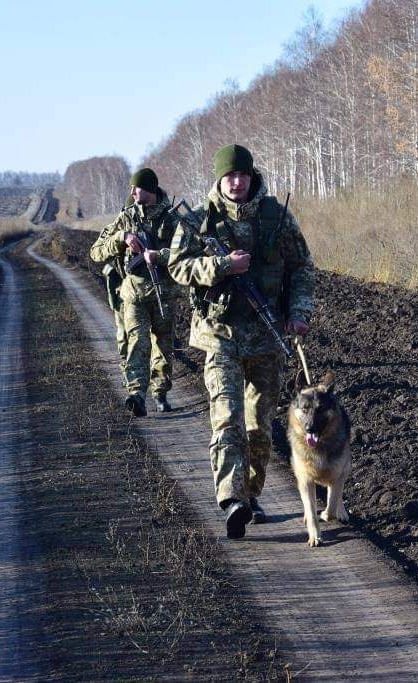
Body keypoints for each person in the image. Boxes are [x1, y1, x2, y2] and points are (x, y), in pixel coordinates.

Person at [168, 144, 315, 539]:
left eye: (242, 175)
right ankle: (231, 499)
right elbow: (177, 267)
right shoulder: (199, 221)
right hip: (219, 337)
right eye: (229, 176)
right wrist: (222, 265)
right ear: (219, 179)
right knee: (226, 419)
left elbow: (301, 267)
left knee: (259, 426)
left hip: (266, 338)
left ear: (252, 177)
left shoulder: (276, 218)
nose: (236, 182)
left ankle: (249, 495)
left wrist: (299, 312)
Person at [89, 168, 179, 416]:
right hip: (134, 295)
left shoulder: (172, 219)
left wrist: (159, 256)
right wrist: (122, 237)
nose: (132, 191)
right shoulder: (126, 218)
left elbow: (187, 252)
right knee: (138, 341)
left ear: (149, 189)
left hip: (165, 293)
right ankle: (137, 394)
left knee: (163, 345)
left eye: (136, 187)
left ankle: (160, 392)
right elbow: (96, 251)